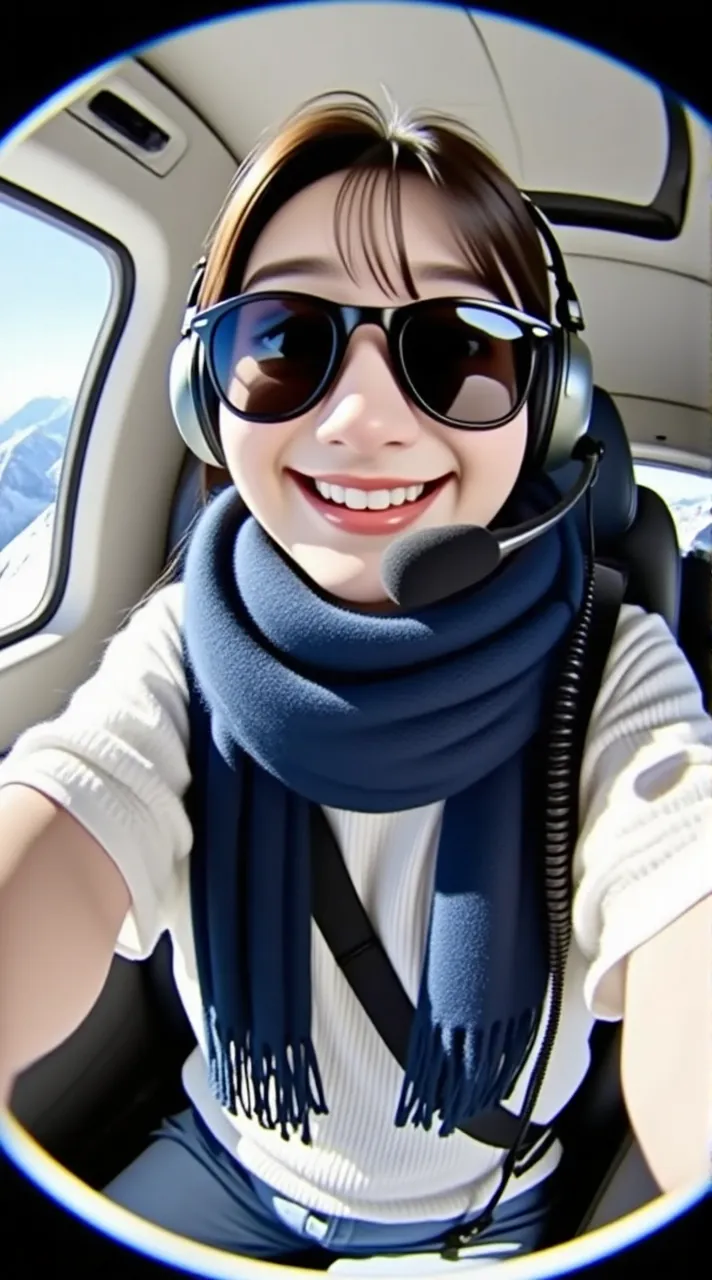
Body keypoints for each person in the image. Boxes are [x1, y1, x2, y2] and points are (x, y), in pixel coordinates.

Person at [0, 92, 710, 1269]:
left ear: (549, 403)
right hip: (228, 1165)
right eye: (285, 340)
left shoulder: (612, 669)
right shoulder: (176, 646)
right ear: (204, 392)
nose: (363, 416)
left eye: (459, 347)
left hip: (485, 1217)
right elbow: (64, 807)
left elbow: (686, 866)